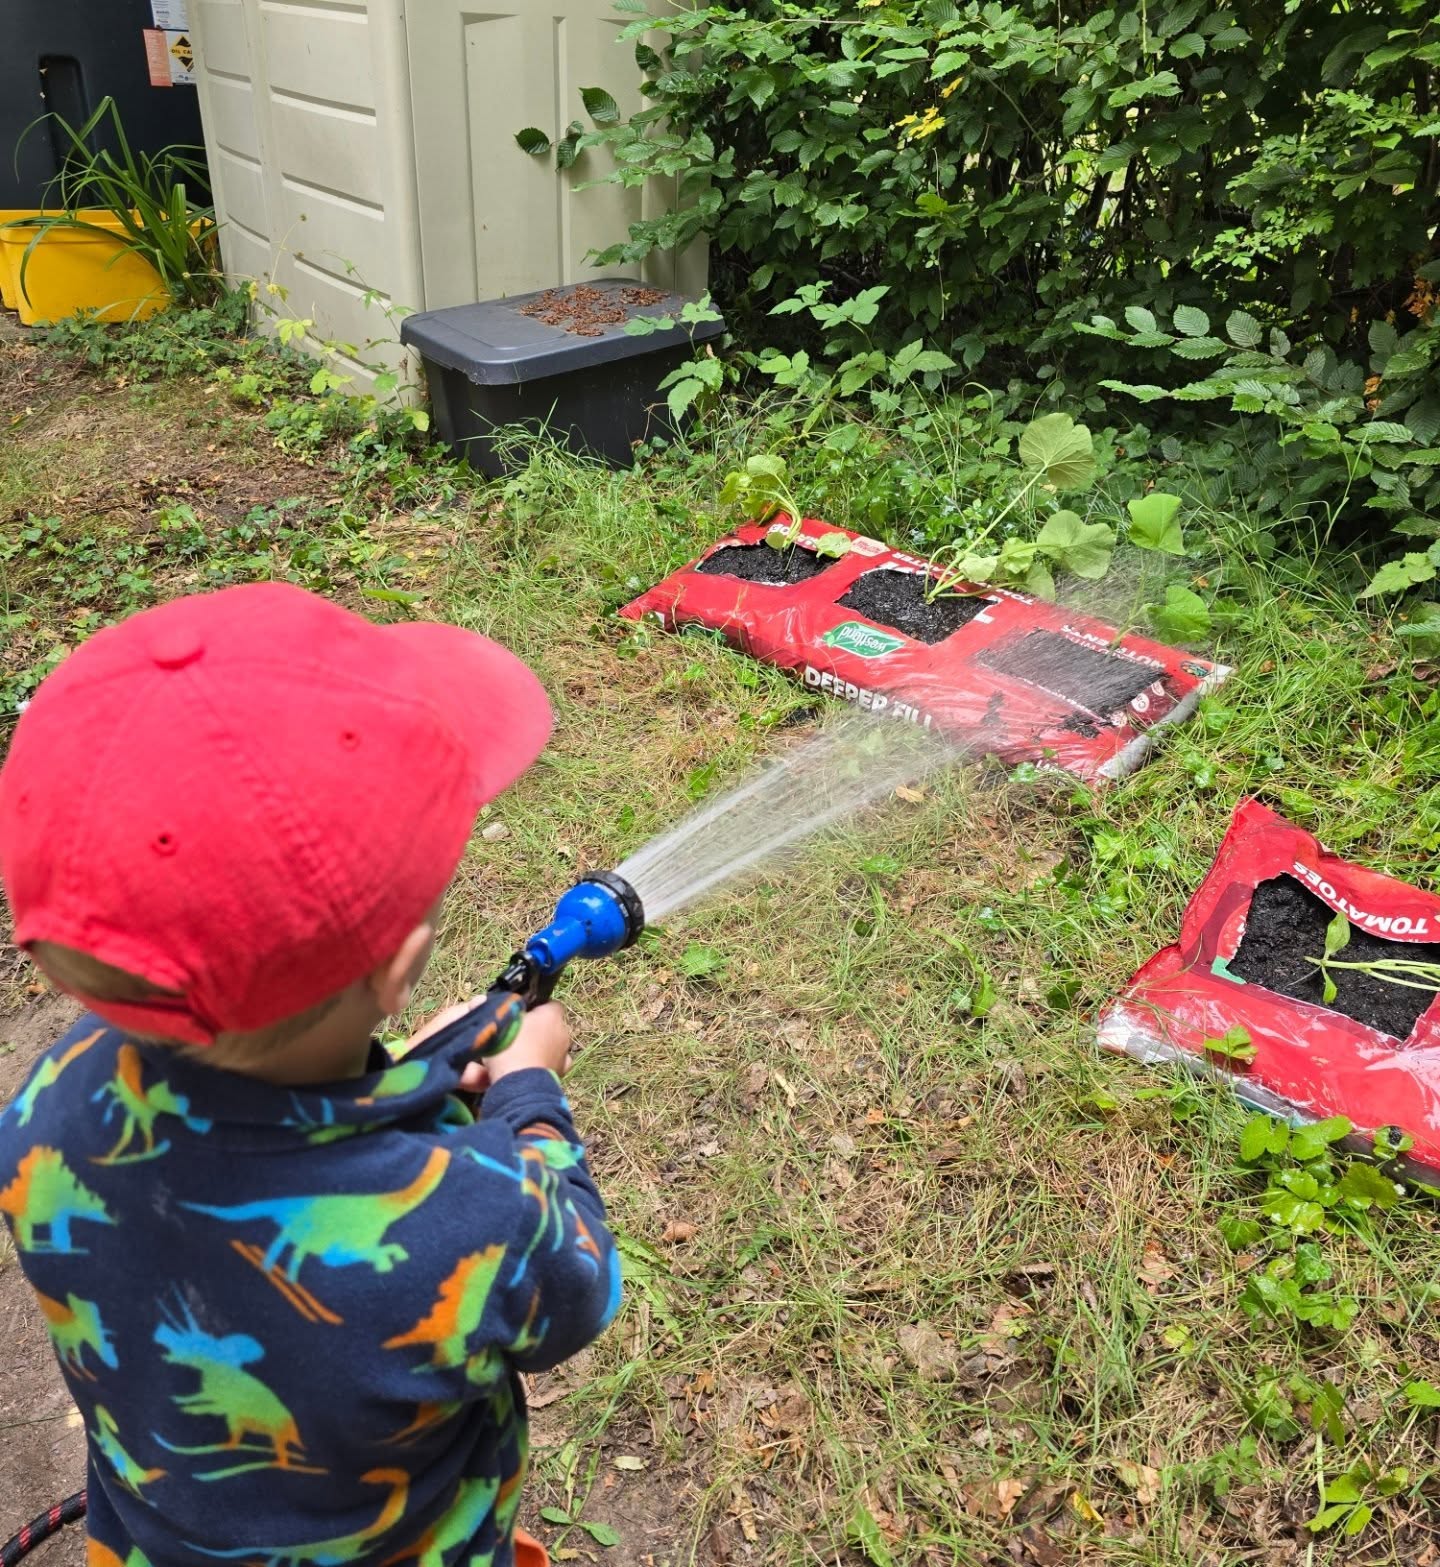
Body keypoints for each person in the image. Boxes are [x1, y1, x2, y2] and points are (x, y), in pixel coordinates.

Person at [0, 582, 620, 1567]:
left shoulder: (40, 1113)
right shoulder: (481, 1217)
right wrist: (526, 1093)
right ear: (400, 968)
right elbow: (579, 1286)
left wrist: (408, 1084)